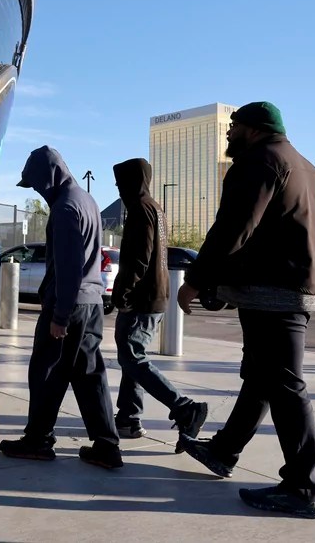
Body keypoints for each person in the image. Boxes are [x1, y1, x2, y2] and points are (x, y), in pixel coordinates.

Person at [176, 102, 315, 520]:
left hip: (275, 288)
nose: (228, 133)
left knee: (284, 382)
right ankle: (224, 451)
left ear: (255, 129)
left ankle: (302, 487)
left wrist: (198, 280)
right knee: (262, 375)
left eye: (234, 126)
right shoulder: (305, 166)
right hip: (295, 283)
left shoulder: (259, 161)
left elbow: (235, 227)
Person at [0, 146, 121, 469]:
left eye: (36, 183)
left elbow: (69, 268)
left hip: (69, 304)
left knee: (46, 371)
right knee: (89, 374)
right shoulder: (87, 200)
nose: (37, 191)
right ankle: (107, 445)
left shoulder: (65, 208)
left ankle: (37, 440)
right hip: (93, 304)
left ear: (49, 177)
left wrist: (60, 316)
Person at [110, 157, 208, 443]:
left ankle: (184, 408)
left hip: (141, 297)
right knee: (133, 358)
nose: (118, 189)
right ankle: (128, 418)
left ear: (132, 182)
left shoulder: (140, 209)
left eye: (120, 183)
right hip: (155, 295)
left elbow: (139, 257)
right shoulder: (156, 208)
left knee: (132, 358)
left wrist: (122, 292)